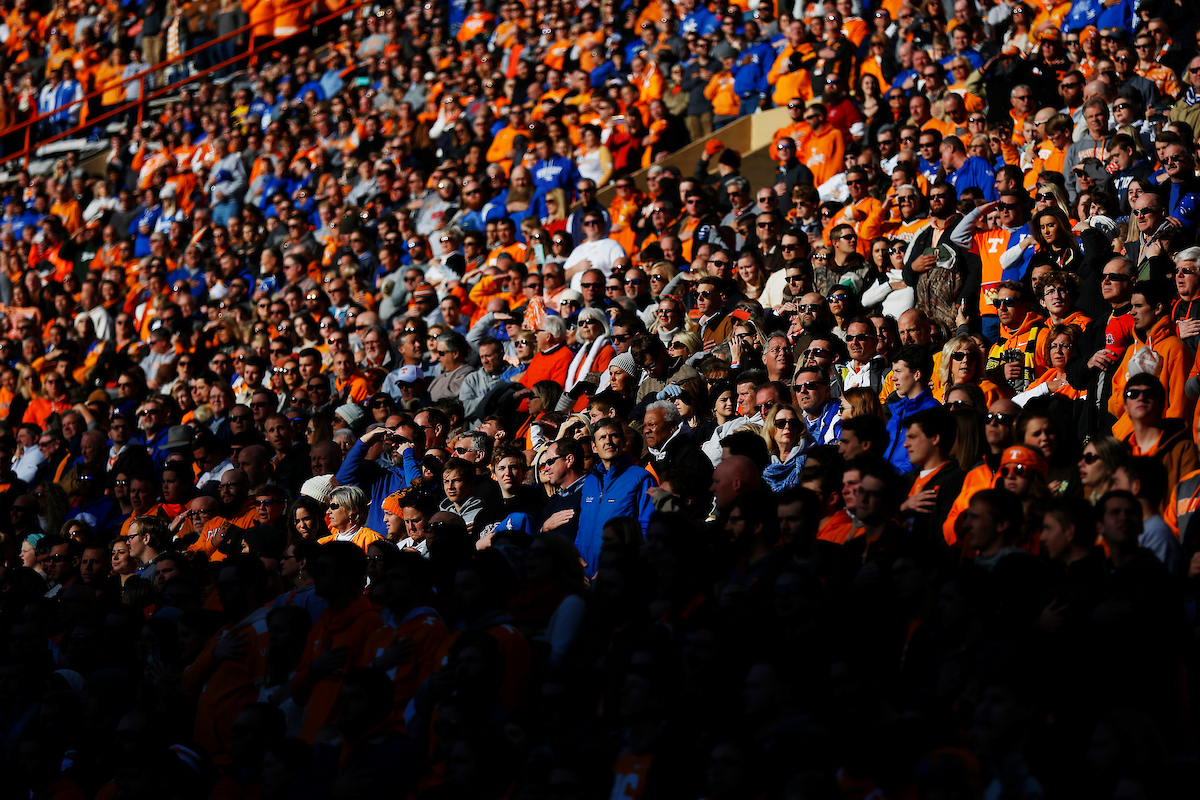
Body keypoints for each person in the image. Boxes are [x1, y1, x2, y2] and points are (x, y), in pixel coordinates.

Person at [575, 419, 656, 576]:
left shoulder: (641, 478)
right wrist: (576, 558)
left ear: (623, 441)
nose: (608, 442)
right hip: (584, 575)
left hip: (620, 574)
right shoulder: (590, 480)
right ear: (594, 447)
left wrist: (618, 564)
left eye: (613, 436)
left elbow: (646, 530)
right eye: (602, 438)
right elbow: (582, 526)